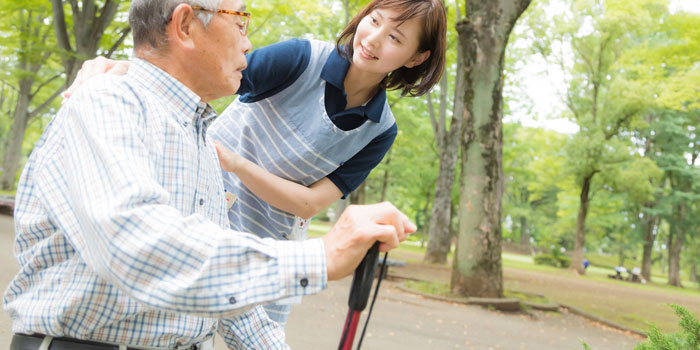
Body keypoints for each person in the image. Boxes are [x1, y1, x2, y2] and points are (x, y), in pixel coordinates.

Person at [4, 1, 414, 349]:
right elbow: (139, 247)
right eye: (239, 22)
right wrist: (322, 255)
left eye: (397, 37)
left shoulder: (200, 140)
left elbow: (224, 303)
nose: (250, 42)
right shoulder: (108, 104)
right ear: (184, 25)